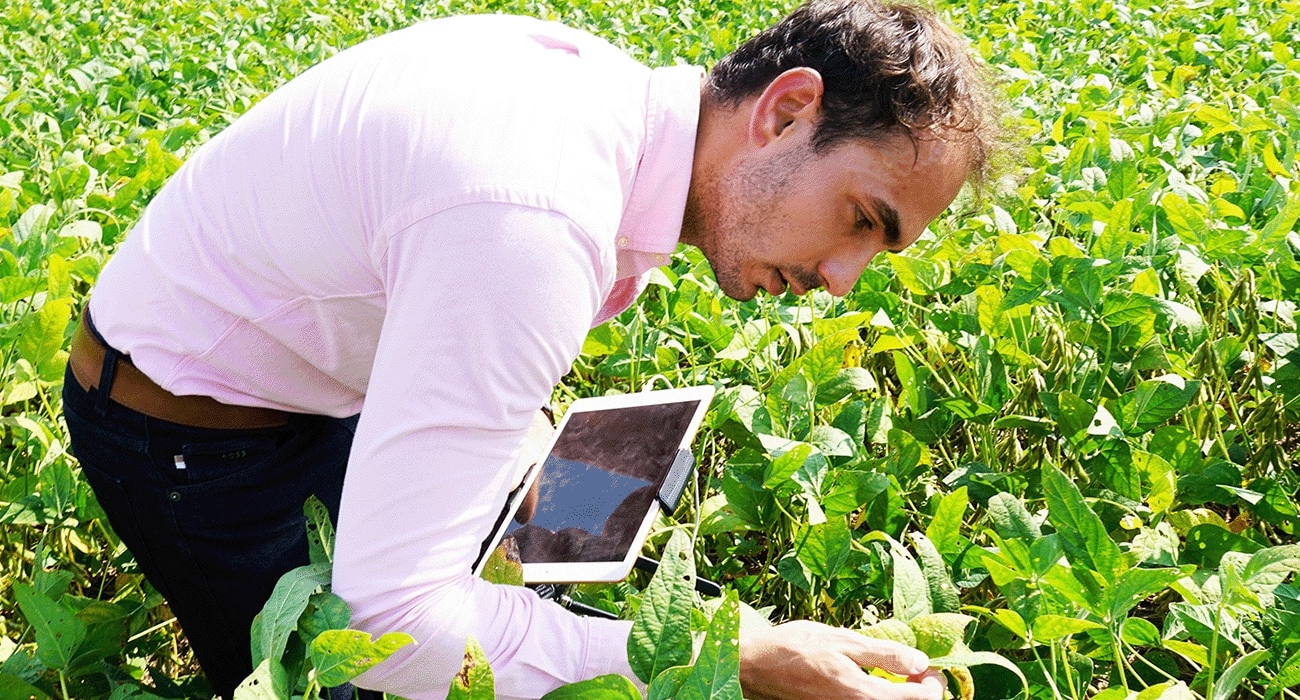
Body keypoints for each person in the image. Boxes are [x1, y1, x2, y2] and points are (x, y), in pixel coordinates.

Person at [59, 0, 1004, 698]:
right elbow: (392, 624)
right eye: (858, 219)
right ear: (787, 111)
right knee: (357, 679)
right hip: (188, 436)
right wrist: (733, 657)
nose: (841, 279)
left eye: (879, 249)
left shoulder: (601, 110)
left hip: (325, 383)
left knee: (604, 486)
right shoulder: (535, 213)